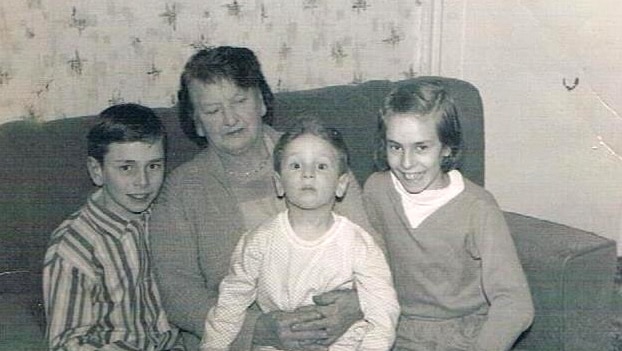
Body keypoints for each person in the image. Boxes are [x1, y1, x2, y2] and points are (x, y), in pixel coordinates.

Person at [150, 46, 375, 350]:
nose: (230, 119)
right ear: (198, 123)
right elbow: (178, 293)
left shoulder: (316, 156)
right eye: (213, 110)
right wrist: (255, 329)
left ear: (262, 102)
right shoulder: (181, 190)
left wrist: (355, 304)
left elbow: (372, 249)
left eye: (239, 101)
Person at [200, 119, 399, 351]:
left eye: (321, 166)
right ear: (279, 183)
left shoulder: (358, 244)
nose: (308, 174)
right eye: (296, 166)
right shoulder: (258, 242)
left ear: (341, 184)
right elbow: (230, 305)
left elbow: (383, 310)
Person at [363, 81, 534, 351]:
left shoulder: (477, 208)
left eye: (421, 147)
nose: (406, 163)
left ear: (447, 148)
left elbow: (515, 301)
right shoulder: (377, 190)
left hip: (464, 335)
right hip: (392, 329)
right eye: (395, 147)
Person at [42, 104, 184, 350]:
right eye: (126, 168)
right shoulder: (73, 250)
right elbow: (66, 345)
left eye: (153, 166)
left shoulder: (163, 215)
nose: (143, 182)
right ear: (97, 171)